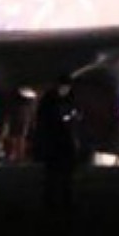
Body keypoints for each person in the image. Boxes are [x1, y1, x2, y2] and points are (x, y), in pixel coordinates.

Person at [32, 79, 81, 217]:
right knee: (54, 176)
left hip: (62, 141)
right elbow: (46, 121)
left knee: (63, 176)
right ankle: (53, 203)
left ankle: (63, 202)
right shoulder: (52, 101)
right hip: (55, 141)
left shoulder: (66, 99)